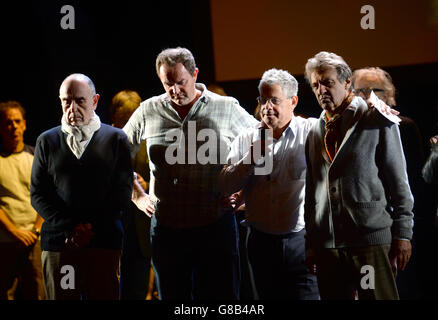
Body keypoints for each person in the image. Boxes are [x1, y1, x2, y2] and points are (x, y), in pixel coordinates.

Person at [124, 47, 257, 300]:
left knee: (223, 299)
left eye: (181, 82)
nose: (175, 90)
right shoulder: (148, 110)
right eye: (168, 84)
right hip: (167, 230)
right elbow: (115, 155)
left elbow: (264, 141)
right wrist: (137, 195)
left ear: (195, 74)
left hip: (215, 227)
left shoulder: (226, 108)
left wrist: (244, 192)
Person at [304, 51, 414, 300]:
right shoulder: (314, 129)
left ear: (346, 83)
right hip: (328, 245)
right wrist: (311, 243)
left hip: (370, 241)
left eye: (328, 82)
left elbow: (399, 183)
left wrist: (403, 234)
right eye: (315, 85)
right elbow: (311, 191)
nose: (321, 90)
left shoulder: (376, 118)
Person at [219, 68, 320, 299]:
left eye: (274, 100)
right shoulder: (246, 138)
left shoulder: (311, 132)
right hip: (260, 243)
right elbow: (224, 186)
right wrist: (250, 158)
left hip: (302, 242)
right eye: (262, 100)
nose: (266, 107)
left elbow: (342, 124)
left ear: (293, 101)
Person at [30, 73, 133, 300]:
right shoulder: (47, 141)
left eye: (80, 100)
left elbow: (122, 193)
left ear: (95, 101)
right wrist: (71, 230)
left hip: (103, 244)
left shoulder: (116, 139)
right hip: (61, 246)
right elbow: (38, 194)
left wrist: (88, 230)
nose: (72, 107)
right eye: (67, 101)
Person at [352, 67, 426, 299]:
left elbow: (413, 182)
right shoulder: (348, 129)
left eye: (376, 89)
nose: (368, 95)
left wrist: (404, 233)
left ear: (390, 94)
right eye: (362, 90)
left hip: (398, 225)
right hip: (363, 231)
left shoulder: (403, 126)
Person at [109, 89, 155, 300]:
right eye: (122, 121)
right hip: (112, 228)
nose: (127, 127)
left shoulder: (150, 143)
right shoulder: (102, 142)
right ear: (113, 118)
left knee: (138, 287)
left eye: (132, 120)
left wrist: (147, 185)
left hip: (141, 230)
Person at [0, 101, 44, 300]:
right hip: (5, 241)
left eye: (17, 121)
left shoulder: (36, 156)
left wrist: (35, 230)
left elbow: (47, 196)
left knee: (37, 292)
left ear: (25, 124)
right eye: (8, 122)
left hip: (34, 239)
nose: (14, 127)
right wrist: (14, 231)